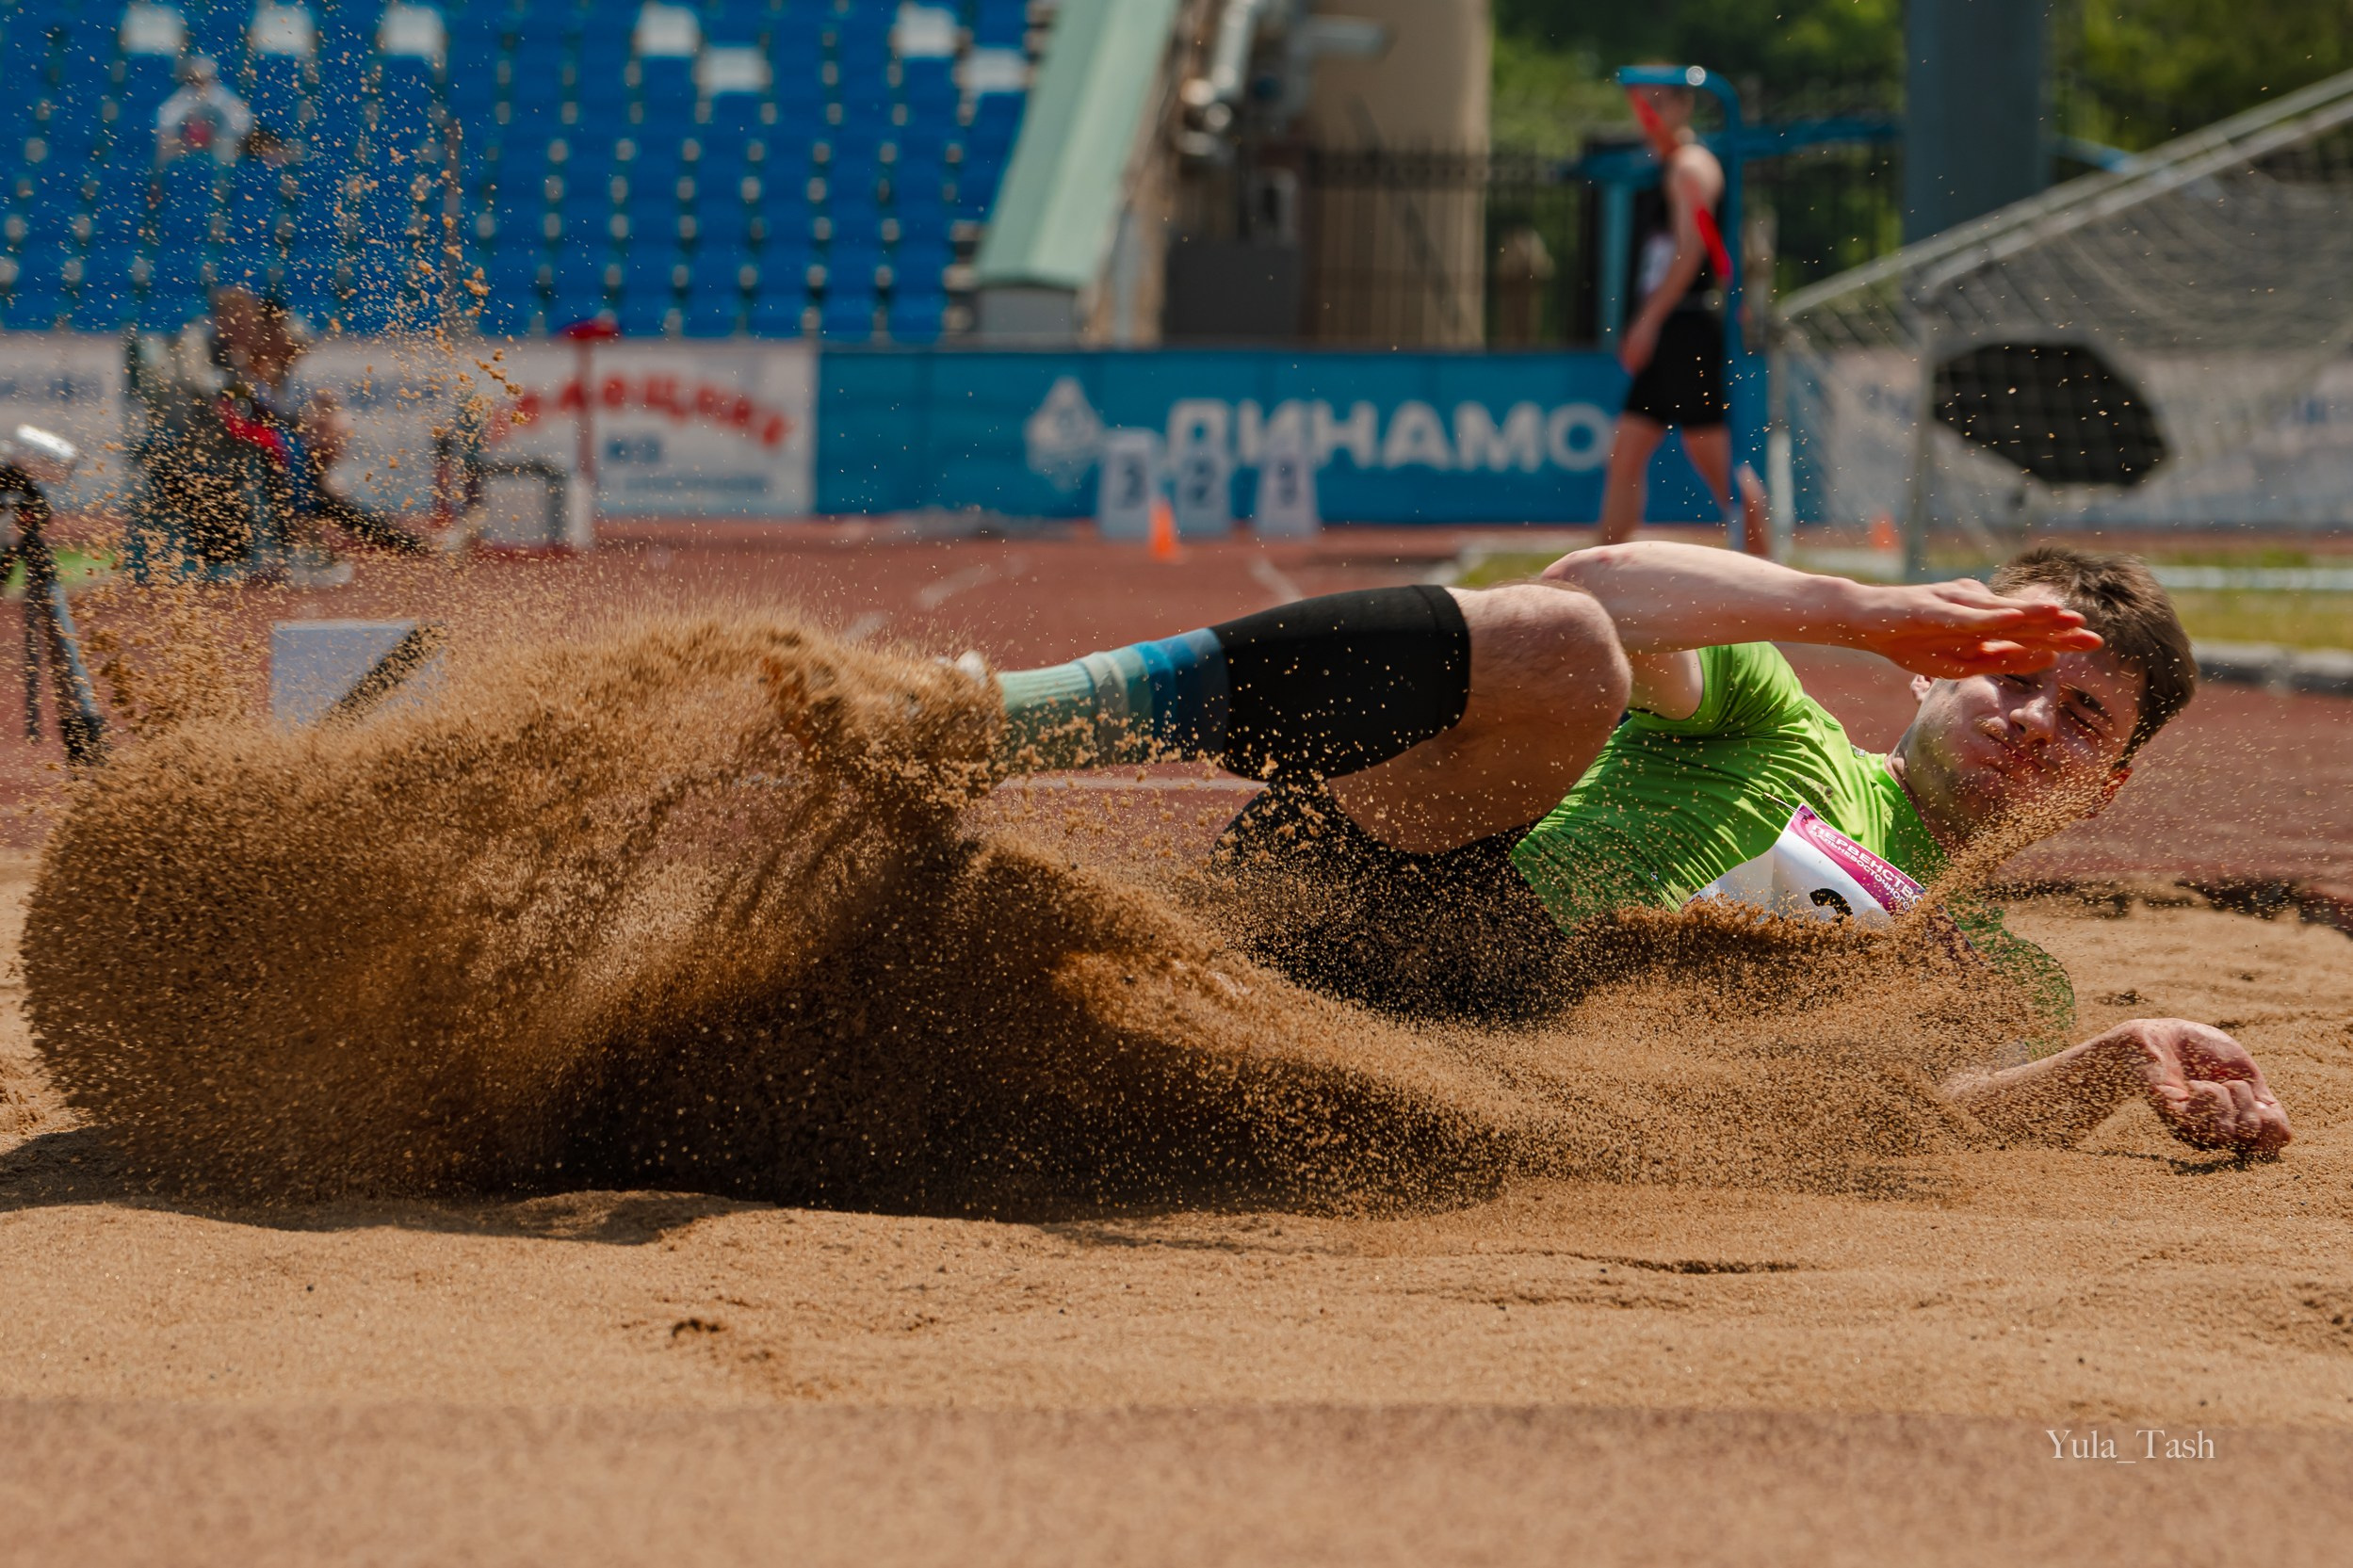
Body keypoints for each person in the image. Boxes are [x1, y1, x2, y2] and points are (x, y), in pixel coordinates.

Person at [985, 542, 2292, 1157]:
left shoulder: (2007, 983)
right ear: (1927, 678)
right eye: (2008, 676)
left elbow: (1929, 1117)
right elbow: (1591, 580)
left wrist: (2112, 1064)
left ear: (2104, 792)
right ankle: (1007, 717)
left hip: (1487, 1057)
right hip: (1394, 899)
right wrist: (1858, 611)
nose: (2030, 723)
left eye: (2081, 717)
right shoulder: (1777, 721)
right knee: (1559, 646)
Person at [1599, 81, 1768, 556]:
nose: (1647, 114)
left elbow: (1690, 252)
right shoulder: (1668, 167)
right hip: (1669, 324)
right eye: (1641, 104)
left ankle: (1769, 576)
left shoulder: (1691, 168)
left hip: (1685, 327)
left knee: (1715, 460)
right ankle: (1603, 577)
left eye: (1659, 103)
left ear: (1683, 105)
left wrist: (1648, 321)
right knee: (1625, 454)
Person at [155, 54, 255, 168]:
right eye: (197, 80)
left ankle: (223, 179)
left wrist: (223, 137)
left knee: (226, 150)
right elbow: (166, 120)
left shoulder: (222, 96)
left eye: (205, 80)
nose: (201, 85)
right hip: (189, 145)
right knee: (166, 147)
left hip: (220, 143)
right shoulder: (185, 96)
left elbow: (243, 121)